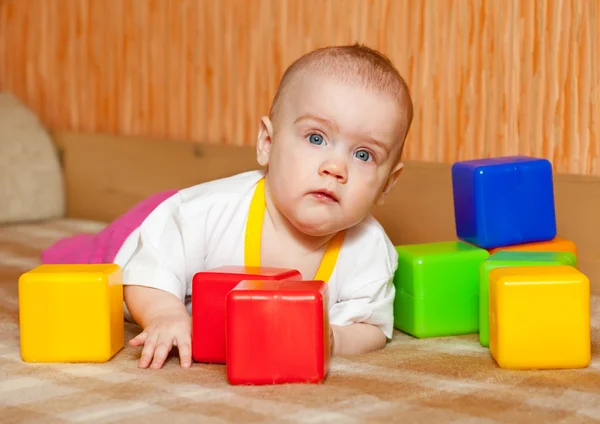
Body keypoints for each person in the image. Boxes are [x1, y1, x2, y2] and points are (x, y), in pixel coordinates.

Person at [42, 43, 414, 370]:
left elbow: (370, 329)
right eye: (316, 137)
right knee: (89, 269)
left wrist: (332, 339)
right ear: (267, 143)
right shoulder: (202, 214)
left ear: (387, 184)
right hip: (155, 223)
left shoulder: (369, 251)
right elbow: (145, 269)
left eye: (363, 154)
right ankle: (67, 250)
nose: (335, 167)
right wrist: (166, 314)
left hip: (182, 224)